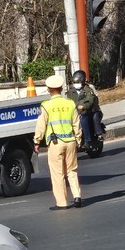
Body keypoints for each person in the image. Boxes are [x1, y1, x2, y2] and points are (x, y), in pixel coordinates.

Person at [33, 75, 83, 210]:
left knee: (58, 173)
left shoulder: (46, 105)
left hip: (55, 143)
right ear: (61, 89)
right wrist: (78, 139)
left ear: (49, 90)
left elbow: (41, 125)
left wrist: (37, 141)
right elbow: (76, 123)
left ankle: (62, 203)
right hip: (71, 141)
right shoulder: (70, 103)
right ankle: (77, 196)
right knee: (72, 170)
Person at [67, 70, 104, 148]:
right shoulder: (71, 91)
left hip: (89, 111)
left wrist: (84, 106)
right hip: (76, 112)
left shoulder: (88, 89)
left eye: (78, 81)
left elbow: (90, 100)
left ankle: (88, 141)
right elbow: (68, 101)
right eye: (75, 81)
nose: (76, 84)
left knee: (83, 119)